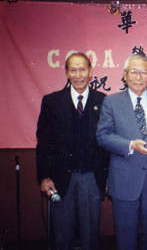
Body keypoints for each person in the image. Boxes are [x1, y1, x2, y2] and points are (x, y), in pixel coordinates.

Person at [96, 54, 147, 250]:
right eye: (134, 71)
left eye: (143, 72)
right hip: (124, 180)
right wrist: (131, 144)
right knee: (125, 240)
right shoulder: (112, 102)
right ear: (125, 75)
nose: (138, 77)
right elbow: (103, 136)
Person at [36, 52, 109, 250]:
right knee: (62, 237)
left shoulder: (103, 102)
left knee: (90, 238)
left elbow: (108, 142)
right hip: (60, 179)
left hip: (91, 179)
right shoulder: (52, 102)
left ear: (91, 72)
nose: (78, 75)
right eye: (73, 70)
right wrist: (44, 177)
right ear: (67, 73)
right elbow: (43, 143)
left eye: (83, 69)